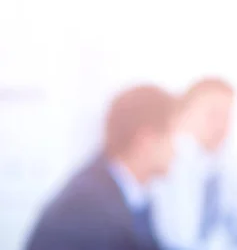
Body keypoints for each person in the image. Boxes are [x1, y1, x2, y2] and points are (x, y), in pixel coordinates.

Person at [25, 85, 178, 250]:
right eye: (172, 136)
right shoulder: (88, 208)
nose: (176, 150)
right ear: (145, 140)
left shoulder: (129, 191)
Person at [152, 77, 237, 250]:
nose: (222, 125)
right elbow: (176, 239)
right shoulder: (166, 163)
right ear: (185, 114)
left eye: (227, 116)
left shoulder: (226, 163)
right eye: (213, 114)